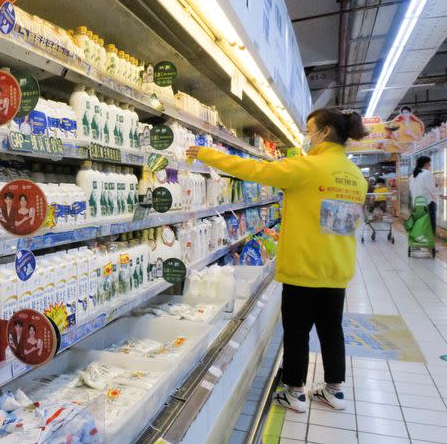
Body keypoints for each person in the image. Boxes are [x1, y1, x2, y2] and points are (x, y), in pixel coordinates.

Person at [187, 108, 369, 413]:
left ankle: (295, 391)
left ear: (324, 132)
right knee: (331, 329)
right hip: (336, 270)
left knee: (297, 332)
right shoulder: (355, 177)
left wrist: (207, 154)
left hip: (302, 269)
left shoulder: (306, 168)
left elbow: (252, 170)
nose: (307, 137)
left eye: (310, 130)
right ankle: (335, 390)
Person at [409, 156, 442, 236]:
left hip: (417, 204)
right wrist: (441, 195)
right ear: (426, 164)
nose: (430, 166)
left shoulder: (412, 176)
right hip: (428, 203)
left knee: (419, 223)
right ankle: (429, 245)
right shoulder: (427, 173)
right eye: (429, 164)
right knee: (430, 224)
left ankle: (419, 242)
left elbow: (411, 189)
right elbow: (432, 189)